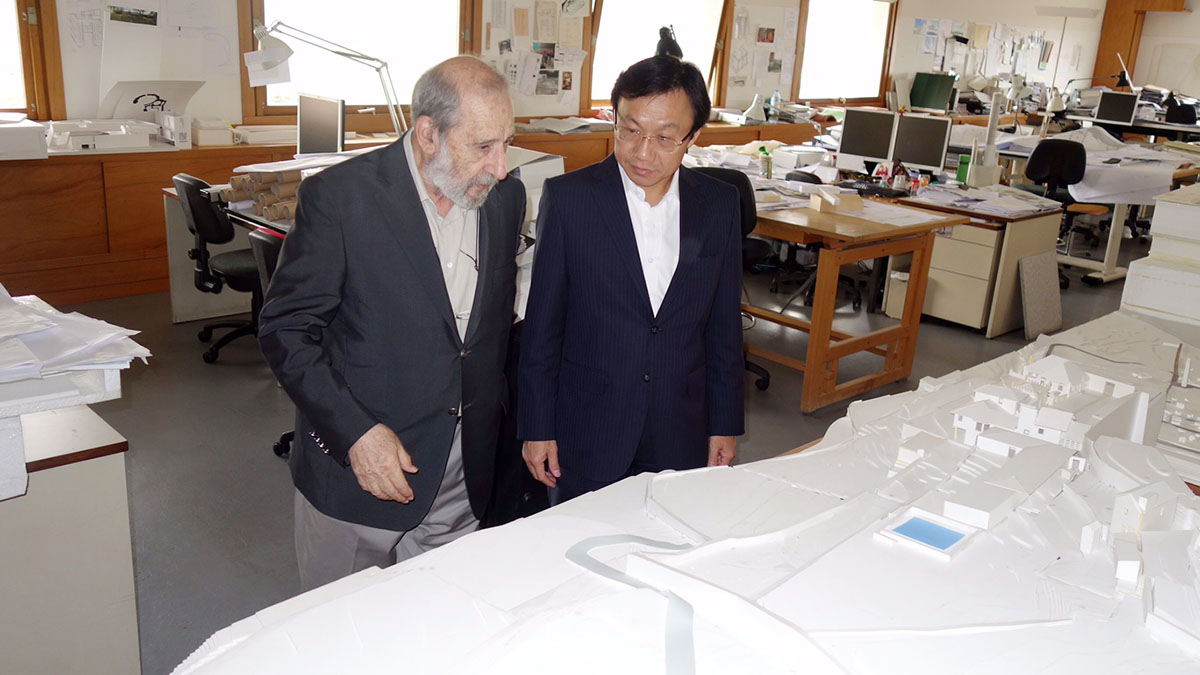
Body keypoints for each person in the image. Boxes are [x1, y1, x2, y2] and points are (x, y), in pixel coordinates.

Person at [258, 56, 524, 591]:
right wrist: (354, 432)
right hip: (359, 471)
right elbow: (286, 329)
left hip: (460, 469)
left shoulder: (504, 200)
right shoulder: (340, 199)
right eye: (482, 147)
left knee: (442, 612)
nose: (500, 168)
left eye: (506, 144)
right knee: (340, 624)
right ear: (428, 134)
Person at [517, 55, 744, 503]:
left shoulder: (719, 205)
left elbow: (723, 327)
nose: (642, 152)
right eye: (630, 130)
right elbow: (543, 329)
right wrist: (537, 427)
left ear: (693, 136)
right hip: (588, 426)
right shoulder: (570, 200)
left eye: (665, 138)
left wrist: (725, 422)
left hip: (681, 426)